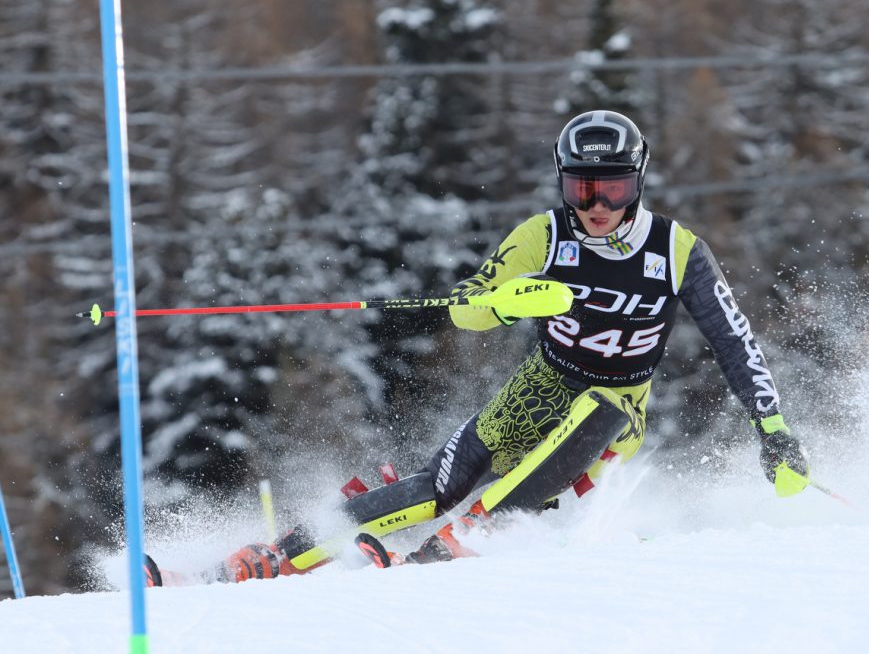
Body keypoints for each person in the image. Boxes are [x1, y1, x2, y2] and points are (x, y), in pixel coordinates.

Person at [152, 110, 810, 586]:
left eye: (613, 187)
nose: (599, 204)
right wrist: (502, 302)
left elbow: (736, 342)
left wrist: (775, 431)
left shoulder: (679, 252)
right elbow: (469, 305)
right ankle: (272, 557)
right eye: (583, 187)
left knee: (602, 408)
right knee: (437, 484)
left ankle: (457, 544)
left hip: (619, 406)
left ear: (638, 181)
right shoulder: (544, 236)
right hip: (542, 384)